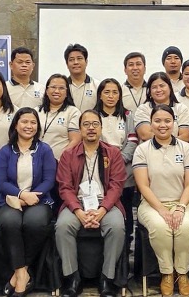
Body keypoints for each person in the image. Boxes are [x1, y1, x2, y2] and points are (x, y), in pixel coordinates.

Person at [55, 110, 127, 297]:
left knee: (117, 226)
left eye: (95, 124)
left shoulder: (113, 153)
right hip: (76, 203)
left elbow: (116, 186)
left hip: (106, 203)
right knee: (63, 226)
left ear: (101, 128)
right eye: (86, 124)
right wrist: (79, 212)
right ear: (80, 129)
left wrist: (102, 211)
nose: (91, 128)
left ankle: (107, 278)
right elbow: (65, 188)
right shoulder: (68, 154)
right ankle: (72, 278)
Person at [133, 104, 189, 297]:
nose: (163, 125)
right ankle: (167, 273)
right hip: (152, 205)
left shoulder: (186, 148)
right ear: (151, 124)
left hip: (182, 202)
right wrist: (162, 210)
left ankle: (183, 273)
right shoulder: (142, 150)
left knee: (185, 227)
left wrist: (179, 207)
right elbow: (143, 186)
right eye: (158, 121)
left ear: (174, 124)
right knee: (161, 228)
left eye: (167, 121)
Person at [0, 108, 58, 297]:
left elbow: (49, 180)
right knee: (11, 222)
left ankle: (18, 274)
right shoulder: (5, 151)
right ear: (15, 125)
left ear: (37, 127)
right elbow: (0, 182)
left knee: (35, 223)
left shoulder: (44, 149)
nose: (28, 126)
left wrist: (32, 196)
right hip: (9, 200)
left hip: (39, 199)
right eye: (24, 122)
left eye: (33, 122)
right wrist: (22, 194)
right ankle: (23, 275)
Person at [94, 79, 138, 246]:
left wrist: (119, 160)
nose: (111, 96)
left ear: (120, 95)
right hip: (98, 168)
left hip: (123, 171)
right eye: (106, 92)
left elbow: (132, 141)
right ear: (100, 95)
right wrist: (103, 160)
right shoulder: (93, 115)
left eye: (114, 92)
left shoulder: (127, 116)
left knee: (125, 210)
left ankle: (126, 248)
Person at [134, 72, 189, 143]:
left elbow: (186, 136)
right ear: (149, 91)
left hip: (177, 151)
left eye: (162, 86)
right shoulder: (143, 109)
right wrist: (167, 141)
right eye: (154, 87)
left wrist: (168, 144)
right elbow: (145, 135)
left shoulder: (182, 109)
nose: (158, 90)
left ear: (170, 88)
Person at [38, 74, 82, 159]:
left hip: (61, 162)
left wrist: (62, 159)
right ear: (46, 91)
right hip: (36, 162)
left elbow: (75, 140)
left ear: (66, 93)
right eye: (53, 87)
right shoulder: (37, 111)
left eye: (61, 88)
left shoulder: (73, 112)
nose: (57, 91)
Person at [65, 44, 98, 112]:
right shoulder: (62, 86)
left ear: (86, 62)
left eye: (79, 58)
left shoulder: (96, 85)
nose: (76, 62)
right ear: (67, 64)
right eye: (71, 60)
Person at [122, 52, 148, 116]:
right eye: (131, 65)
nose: (135, 68)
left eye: (138, 64)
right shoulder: (120, 91)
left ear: (144, 69)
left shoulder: (152, 90)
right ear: (125, 70)